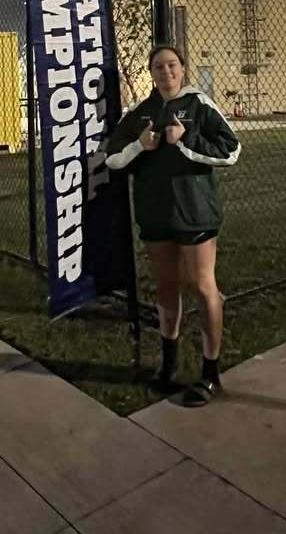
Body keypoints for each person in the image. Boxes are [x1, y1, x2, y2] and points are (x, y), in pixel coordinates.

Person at [105, 45, 240, 406]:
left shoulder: (199, 105)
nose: (166, 72)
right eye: (159, 67)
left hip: (195, 213)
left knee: (203, 285)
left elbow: (231, 150)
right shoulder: (140, 112)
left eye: (172, 65)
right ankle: (169, 365)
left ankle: (210, 374)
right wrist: (139, 145)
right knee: (166, 286)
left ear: (182, 69)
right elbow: (113, 159)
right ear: (151, 72)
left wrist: (186, 141)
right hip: (155, 214)